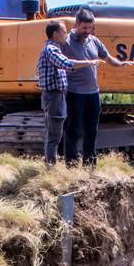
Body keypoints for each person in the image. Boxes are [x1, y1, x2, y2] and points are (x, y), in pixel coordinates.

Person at [60, 8, 134, 166]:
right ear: (76, 24)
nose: (88, 31)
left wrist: (121, 64)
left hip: (93, 94)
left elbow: (108, 58)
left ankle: (90, 164)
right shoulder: (66, 42)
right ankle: (71, 164)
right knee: (73, 130)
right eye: (84, 28)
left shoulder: (94, 41)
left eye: (90, 27)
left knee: (91, 130)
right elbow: (58, 61)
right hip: (74, 93)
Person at [36, 21, 103, 165]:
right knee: (54, 134)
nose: (67, 35)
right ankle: (50, 167)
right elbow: (67, 63)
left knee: (56, 132)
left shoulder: (53, 49)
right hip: (54, 95)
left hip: (57, 95)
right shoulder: (51, 50)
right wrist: (89, 62)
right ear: (56, 34)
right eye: (64, 32)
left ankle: (51, 164)